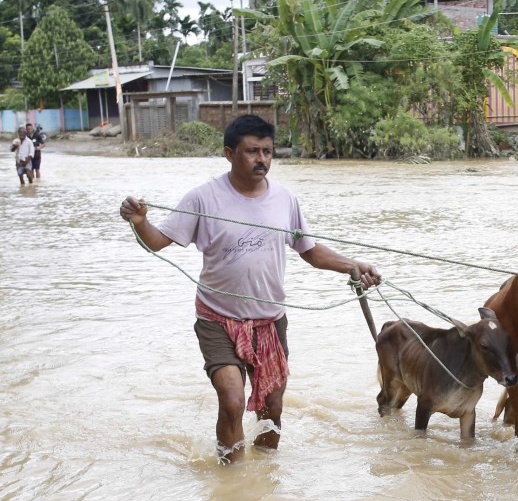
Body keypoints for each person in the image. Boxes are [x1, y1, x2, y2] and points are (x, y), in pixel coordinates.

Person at [120, 114, 381, 464]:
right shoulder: (202, 198)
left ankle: (265, 478)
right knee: (232, 399)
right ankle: (231, 479)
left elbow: (311, 251)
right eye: (252, 151)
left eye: (268, 152)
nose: (262, 160)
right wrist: (141, 222)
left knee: (272, 408)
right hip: (218, 318)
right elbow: (158, 242)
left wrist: (352, 265)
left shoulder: (285, 200)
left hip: (269, 321)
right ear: (229, 153)